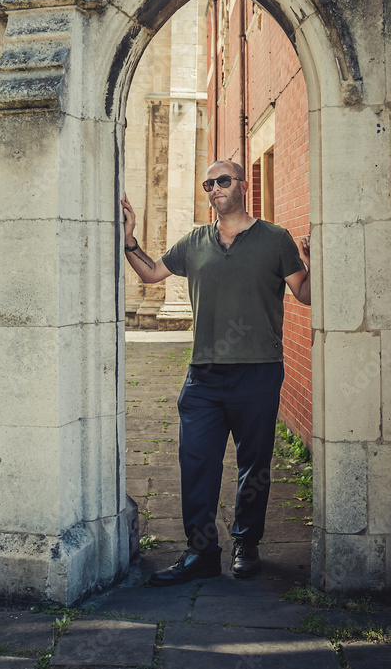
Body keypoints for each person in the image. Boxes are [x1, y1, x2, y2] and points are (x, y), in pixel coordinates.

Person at [121, 160, 310, 586]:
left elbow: (306, 292)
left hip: (258, 372)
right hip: (203, 376)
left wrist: (318, 263)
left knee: (254, 465)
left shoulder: (275, 239)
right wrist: (129, 240)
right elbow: (152, 274)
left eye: (222, 180)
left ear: (242, 185)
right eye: (208, 183)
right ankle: (201, 552)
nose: (214, 188)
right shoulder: (194, 243)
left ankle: (246, 542)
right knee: (196, 464)